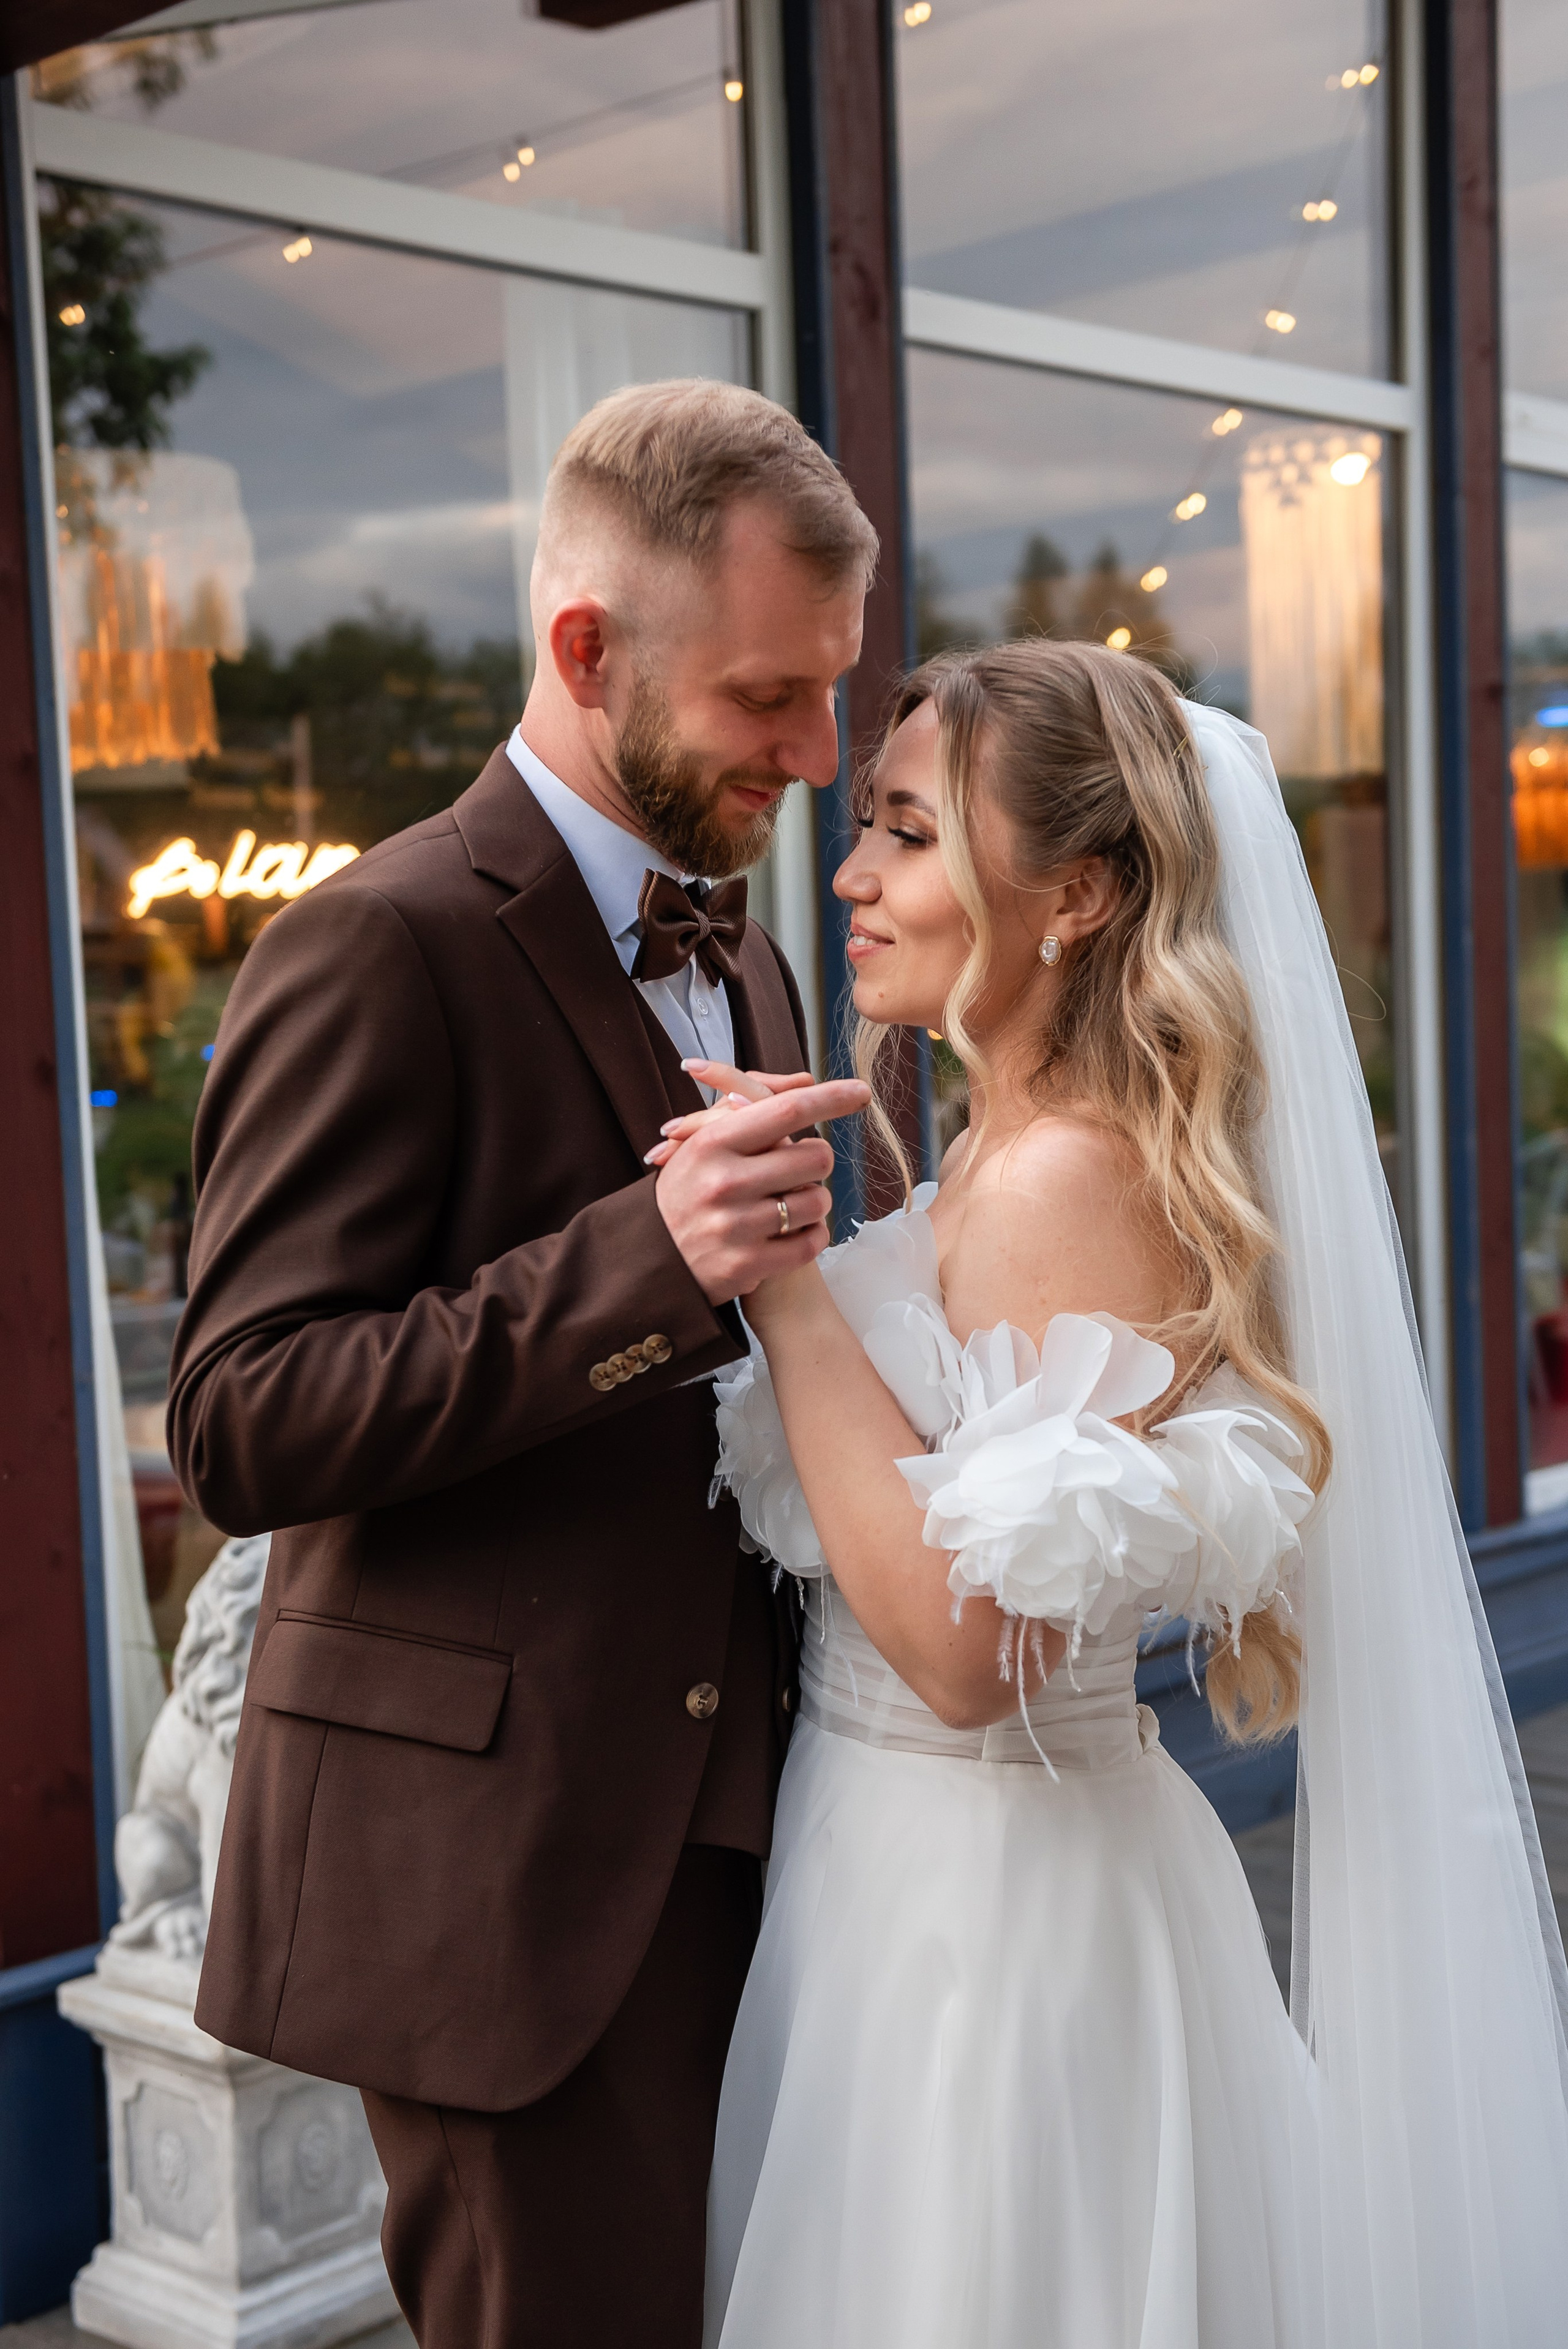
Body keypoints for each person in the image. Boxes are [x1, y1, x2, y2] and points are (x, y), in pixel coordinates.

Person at [658, 639, 1568, 2346]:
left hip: (983, 1922)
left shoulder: (1067, 1176)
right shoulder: (1010, 1144)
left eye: (911, 831)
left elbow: (958, 1644)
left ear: (1073, 892)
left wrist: (781, 1285)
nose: (850, 872)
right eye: (866, 824)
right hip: (908, 1868)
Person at [170, 378, 875, 2347]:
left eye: (834, 692)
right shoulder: (375, 944)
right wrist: (636, 1262)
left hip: (759, 1831)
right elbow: (239, 1415)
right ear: (587, 650)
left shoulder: (737, 945)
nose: (815, 754)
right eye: (766, 698)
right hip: (509, 1880)